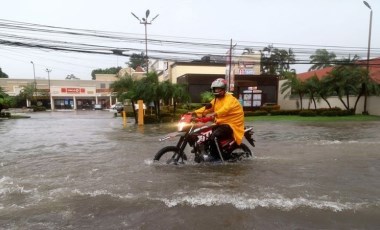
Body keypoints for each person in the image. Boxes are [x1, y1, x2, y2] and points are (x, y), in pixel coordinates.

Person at [194, 78, 245, 160]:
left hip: (231, 124)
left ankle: (219, 158)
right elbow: (206, 108)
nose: (217, 90)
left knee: (214, 137)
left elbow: (226, 108)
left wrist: (215, 113)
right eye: (215, 89)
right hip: (221, 123)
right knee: (204, 134)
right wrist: (194, 113)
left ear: (223, 89)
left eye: (219, 89)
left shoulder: (230, 99)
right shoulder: (216, 100)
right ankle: (206, 153)